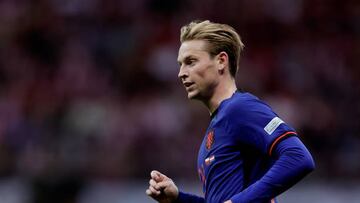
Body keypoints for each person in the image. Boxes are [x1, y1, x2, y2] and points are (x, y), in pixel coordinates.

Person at [146, 20, 315, 203]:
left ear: (221, 61)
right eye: (181, 64)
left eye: (190, 62)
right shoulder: (218, 125)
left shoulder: (241, 108)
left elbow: (299, 157)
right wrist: (178, 199)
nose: (181, 73)